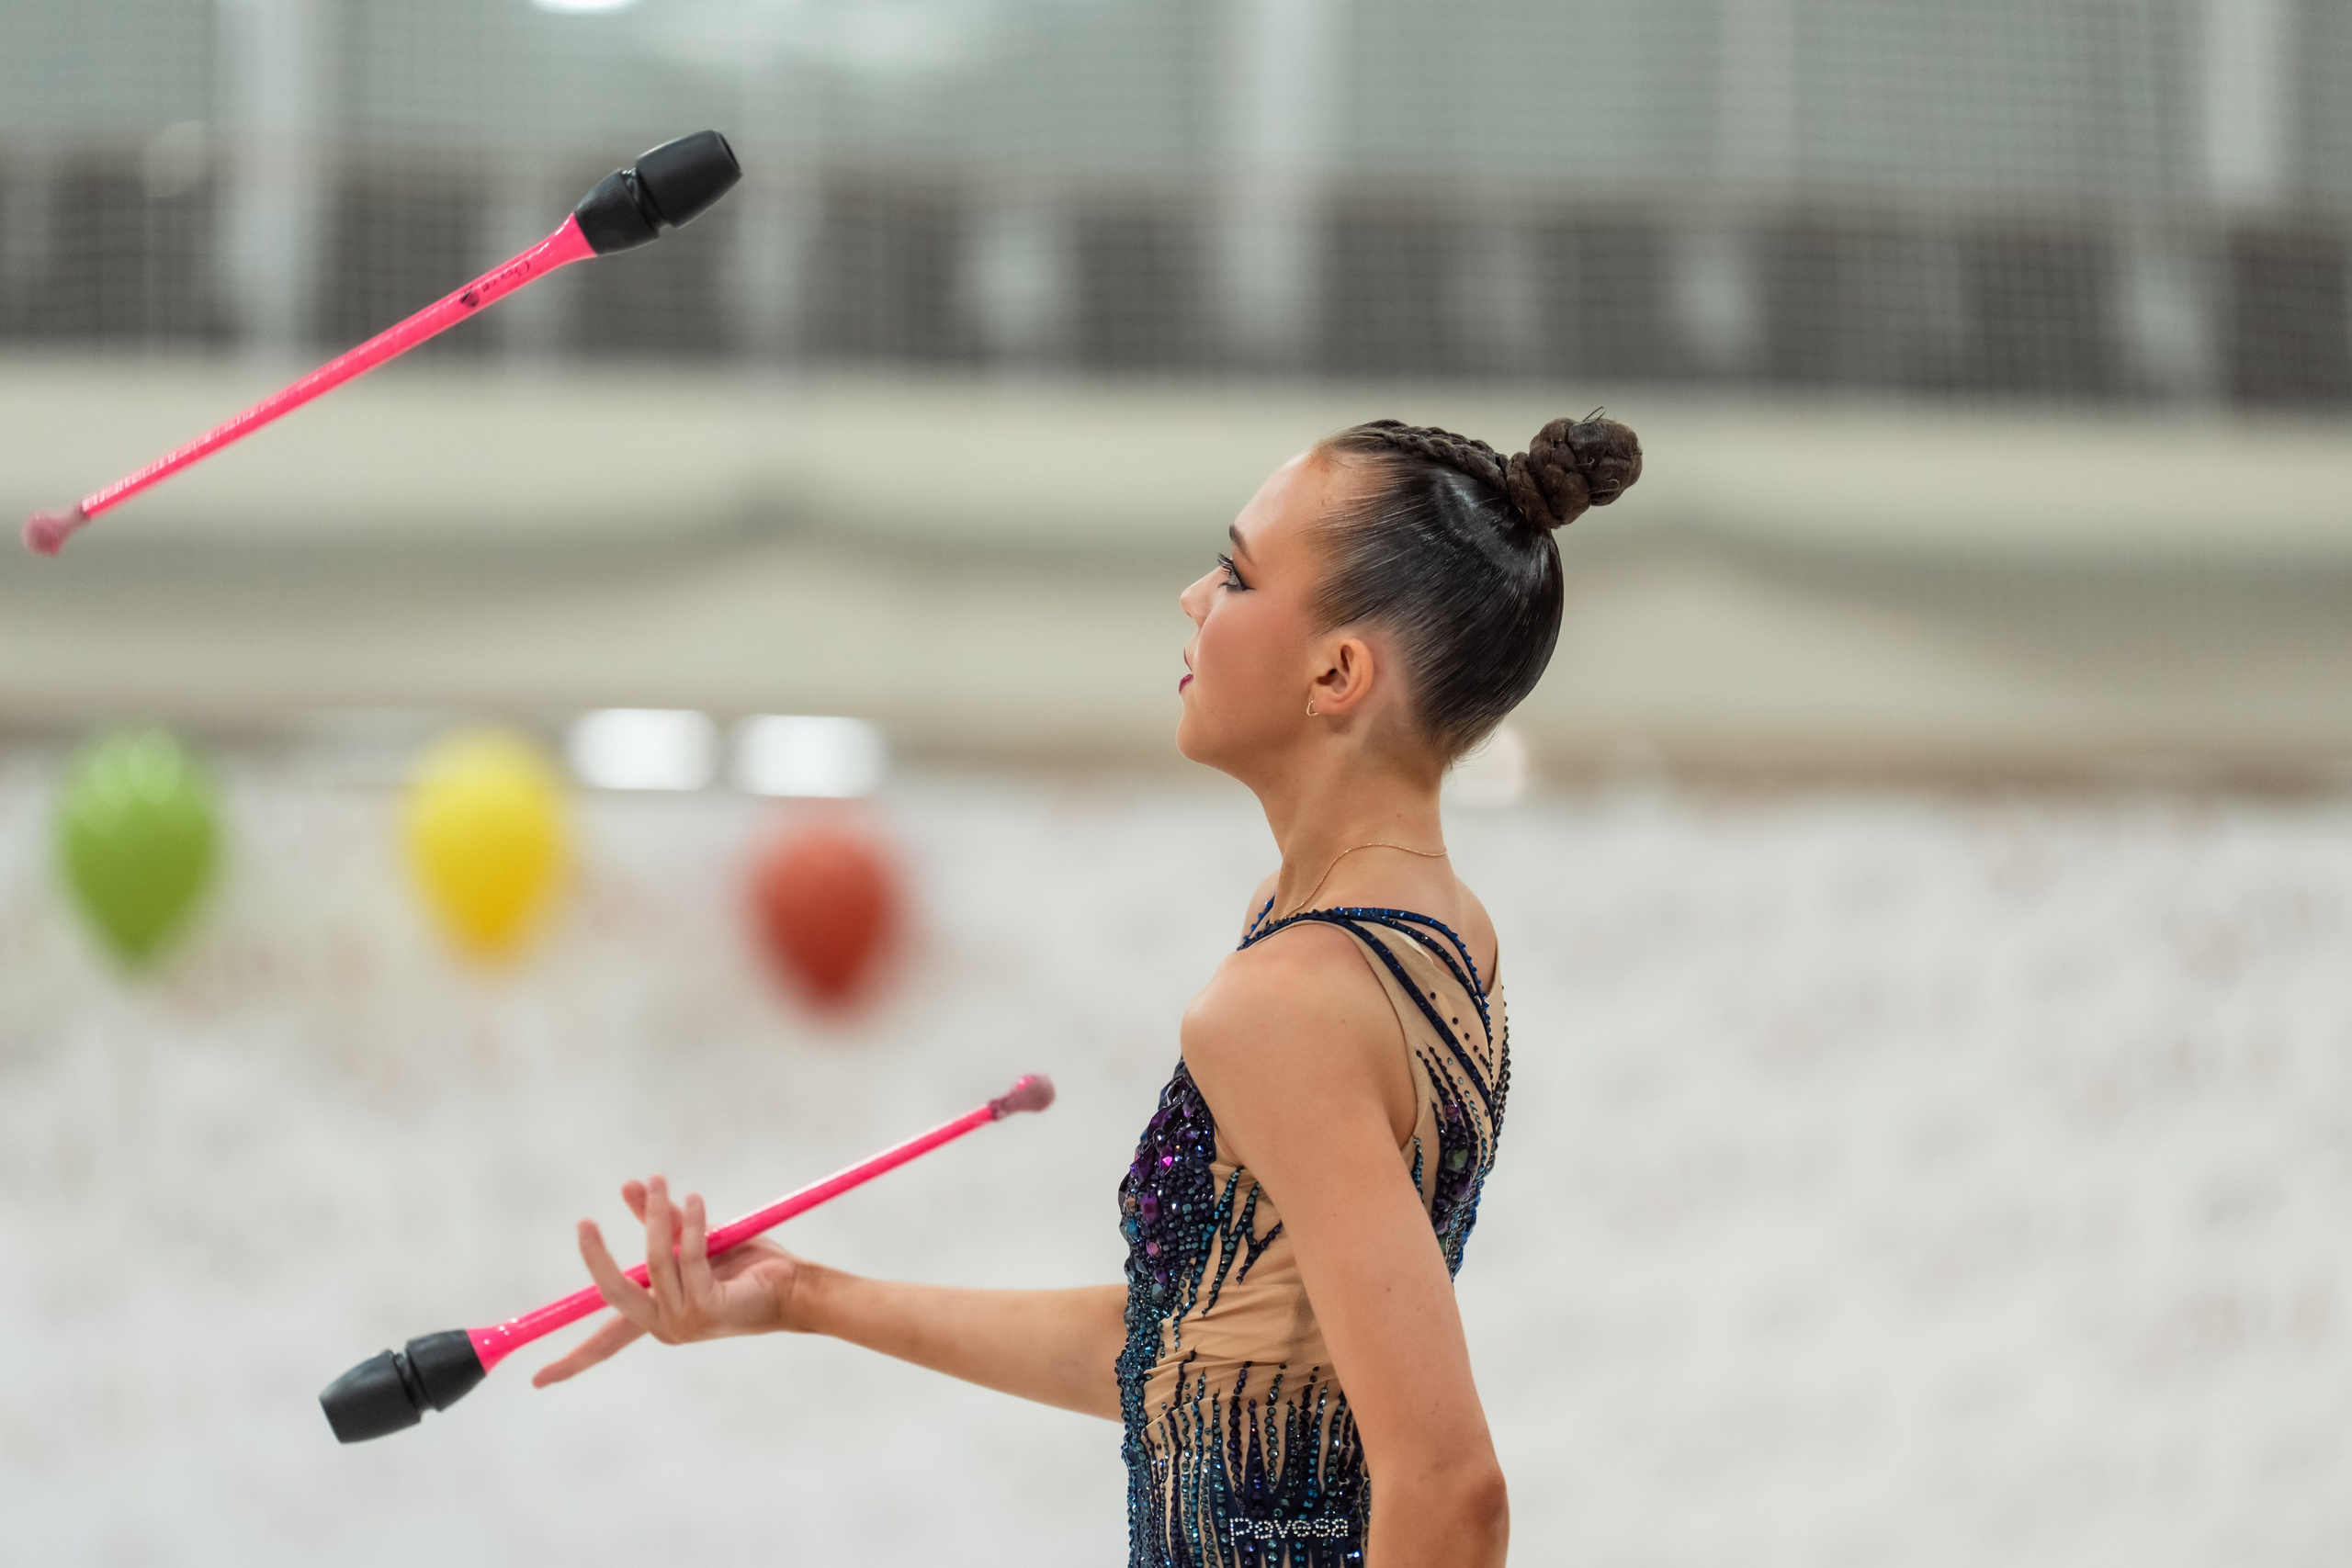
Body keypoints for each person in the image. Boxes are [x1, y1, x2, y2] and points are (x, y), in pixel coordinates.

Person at [531, 413, 1644, 1567]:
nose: (1191, 598)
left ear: (1336, 670)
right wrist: (802, 1293)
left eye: (1236, 574)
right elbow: (1193, 1361)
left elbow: (1453, 1490)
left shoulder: (1286, 1002)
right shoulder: (1437, 939)